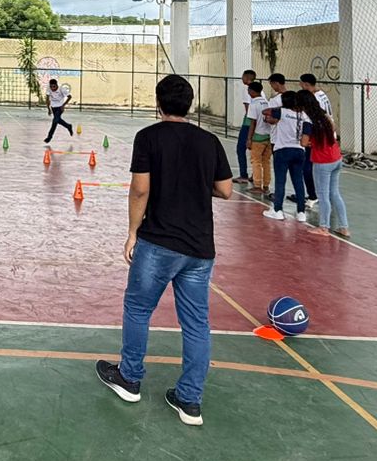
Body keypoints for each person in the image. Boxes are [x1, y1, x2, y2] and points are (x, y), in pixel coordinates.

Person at [95, 74, 231, 427]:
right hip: (199, 248)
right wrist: (195, 185)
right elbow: (225, 190)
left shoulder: (149, 137)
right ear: (190, 104)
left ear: (158, 103)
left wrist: (131, 233)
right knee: (197, 323)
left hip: (158, 243)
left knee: (138, 308)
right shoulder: (209, 141)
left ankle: (130, 378)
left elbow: (140, 190)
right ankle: (190, 400)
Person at [299, 92, 349, 239]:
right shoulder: (325, 116)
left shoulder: (308, 121)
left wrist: (311, 142)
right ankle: (344, 227)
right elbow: (333, 131)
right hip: (335, 157)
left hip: (322, 160)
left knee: (322, 195)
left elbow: (303, 142)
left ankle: (324, 227)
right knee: (335, 193)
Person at [263, 86, 307, 221]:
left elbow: (265, 111)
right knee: (298, 181)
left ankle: (278, 210)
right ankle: (301, 212)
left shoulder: (281, 112)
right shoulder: (303, 115)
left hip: (282, 149)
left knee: (280, 181)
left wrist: (277, 110)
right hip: (299, 150)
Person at [298, 73, 333, 211]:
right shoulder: (322, 94)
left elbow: (317, 119)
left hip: (318, 136)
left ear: (306, 84)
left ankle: (313, 195)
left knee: (308, 167)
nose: (300, 86)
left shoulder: (314, 99)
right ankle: (320, 195)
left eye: (301, 84)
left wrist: (308, 137)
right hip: (325, 135)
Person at [244, 80, 271, 196]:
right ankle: (266, 185)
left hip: (258, 136)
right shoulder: (267, 103)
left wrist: (249, 139)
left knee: (256, 161)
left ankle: (257, 185)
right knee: (266, 162)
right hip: (268, 136)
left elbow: (253, 123)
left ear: (251, 91)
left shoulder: (253, 104)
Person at [234, 69, 257, 183]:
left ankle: (243, 174)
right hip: (258, 123)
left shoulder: (248, 90)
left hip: (249, 123)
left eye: (243, 76)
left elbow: (249, 110)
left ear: (247, 78)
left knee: (240, 148)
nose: (241, 78)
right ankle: (256, 174)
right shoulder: (259, 90)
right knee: (256, 149)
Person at [43, 78, 74, 144]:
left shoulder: (62, 89)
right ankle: (68, 126)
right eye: (51, 87)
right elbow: (47, 99)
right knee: (58, 120)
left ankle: (49, 137)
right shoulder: (48, 89)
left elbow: (70, 97)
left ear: (57, 85)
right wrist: (49, 109)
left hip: (60, 107)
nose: (52, 88)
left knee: (55, 122)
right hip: (53, 107)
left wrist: (63, 105)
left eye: (54, 86)